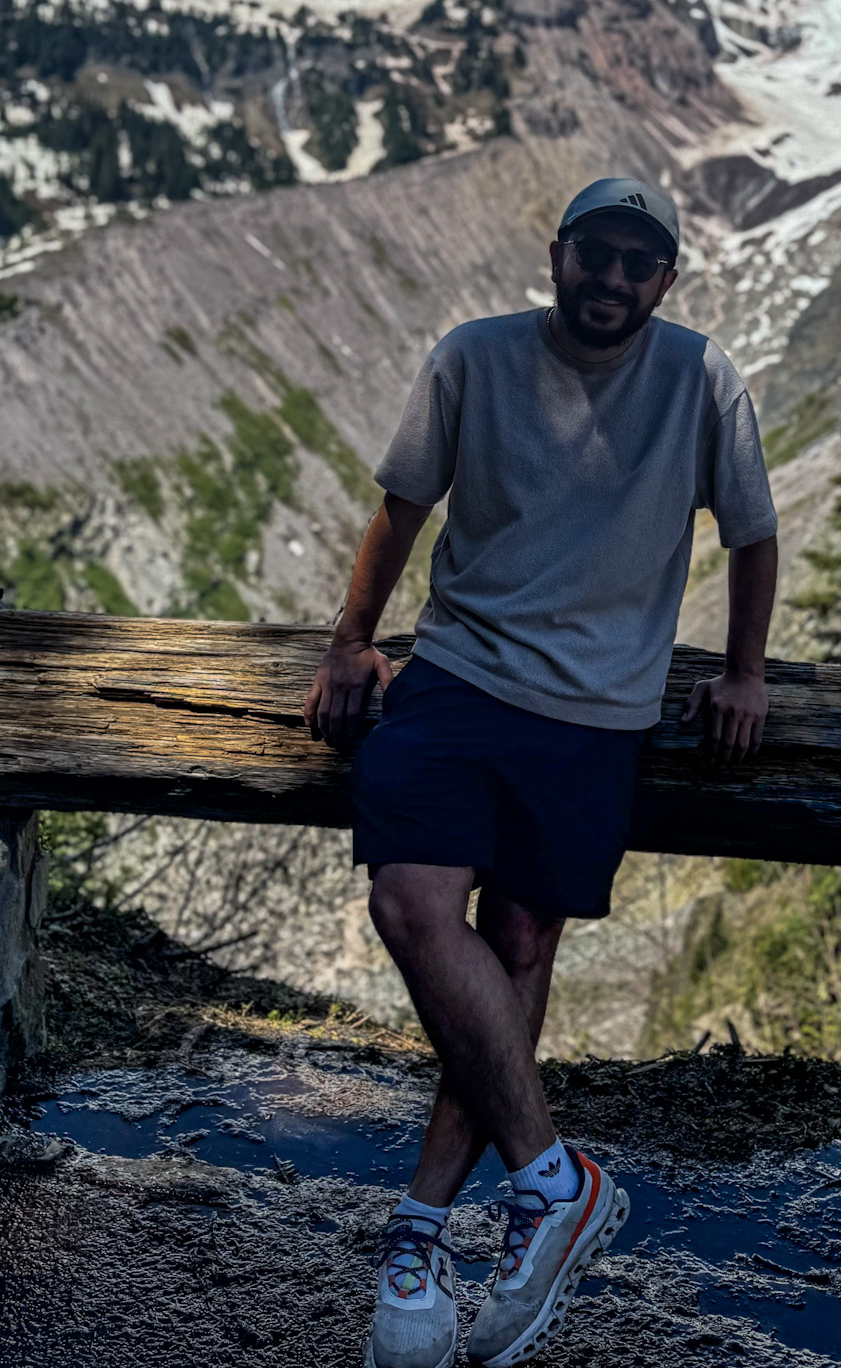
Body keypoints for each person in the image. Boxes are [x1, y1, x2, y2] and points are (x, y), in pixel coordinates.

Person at [305, 176, 780, 1368]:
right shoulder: (473, 356)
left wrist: (747, 673)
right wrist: (350, 639)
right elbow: (400, 512)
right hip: (458, 674)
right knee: (412, 905)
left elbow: (755, 531)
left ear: (665, 278)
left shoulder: (702, 376)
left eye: (639, 263)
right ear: (557, 252)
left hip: (597, 711)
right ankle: (553, 1180)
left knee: (518, 949)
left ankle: (420, 1243)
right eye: (596, 255)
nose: (612, 280)